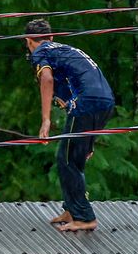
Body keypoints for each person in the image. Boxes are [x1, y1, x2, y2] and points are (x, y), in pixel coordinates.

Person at [23, 19, 115, 232]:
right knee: (75, 158)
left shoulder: (41, 52)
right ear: (51, 37)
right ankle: (72, 209)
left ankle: (84, 217)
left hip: (86, 104)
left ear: (28, 41)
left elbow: (47, 80)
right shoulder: (64, 49)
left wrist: (45, 119)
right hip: (106, 102)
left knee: (65, 160)